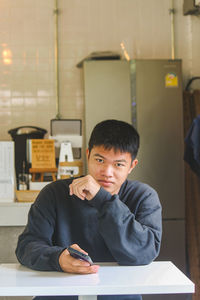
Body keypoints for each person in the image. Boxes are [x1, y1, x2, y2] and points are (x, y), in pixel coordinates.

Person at [15, 119, 162, 300]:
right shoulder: (54, 193)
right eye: (99, 160)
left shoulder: (143, 196)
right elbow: (26, 247)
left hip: (120, 295)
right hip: (59, 294)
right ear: (88, 154)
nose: (107, 172)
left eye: (118, 164)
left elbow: (145, 252)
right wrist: (58, 258)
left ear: (132, 165)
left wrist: (102, 199)